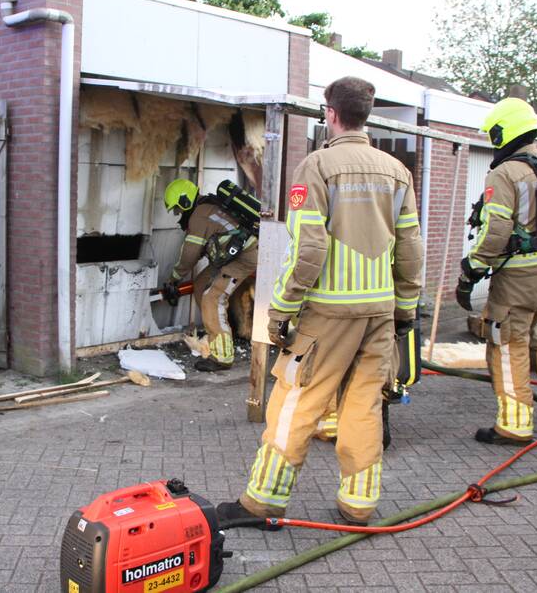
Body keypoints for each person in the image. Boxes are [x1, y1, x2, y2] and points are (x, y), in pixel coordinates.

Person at [217, 76, 423, 526]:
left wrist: (282, 310)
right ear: (364, 115)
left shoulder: (318, 166)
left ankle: (263, 502)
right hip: (380, 314)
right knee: (364, 404)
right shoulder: (397, 172)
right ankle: (358, 505)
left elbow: (308, 251)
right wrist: (405, 308)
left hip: (327, 315)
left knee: (295, 399)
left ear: (330, 114)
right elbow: (411, 249)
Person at [455, 97, 537, 445]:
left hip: (517, 276)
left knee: (505, 342)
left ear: (504, 131)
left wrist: (472, 268)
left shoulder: (505, 172)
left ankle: (514, 425)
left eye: (494, 134)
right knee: (526, 330)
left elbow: (496, 229)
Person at [163, 179, 258, 372]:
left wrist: (174, 278)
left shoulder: (199, 216)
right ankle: (221, 330)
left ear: (185, 202)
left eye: (178, 210)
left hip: (245, 258)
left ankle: (221, 356)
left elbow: (189, 255)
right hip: (236, 255)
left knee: (212, 298)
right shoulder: (208, 207)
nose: (178, 215)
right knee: (201, 285)